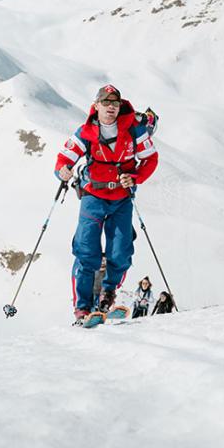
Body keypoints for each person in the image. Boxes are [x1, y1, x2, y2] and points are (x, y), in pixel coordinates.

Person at [55, 84, 159, 323]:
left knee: (121, 252)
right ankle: (82, 308)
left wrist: (135, 178)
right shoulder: (86, 132)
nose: (110, 107)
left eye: (114, 103)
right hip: (93, 197)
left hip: (122, 199)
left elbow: (150, 158)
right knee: (85, 251)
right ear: (96, 106)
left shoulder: (134, 130)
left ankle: (107, 296)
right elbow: (65, 158)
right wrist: (62, 170)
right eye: (106, 103)